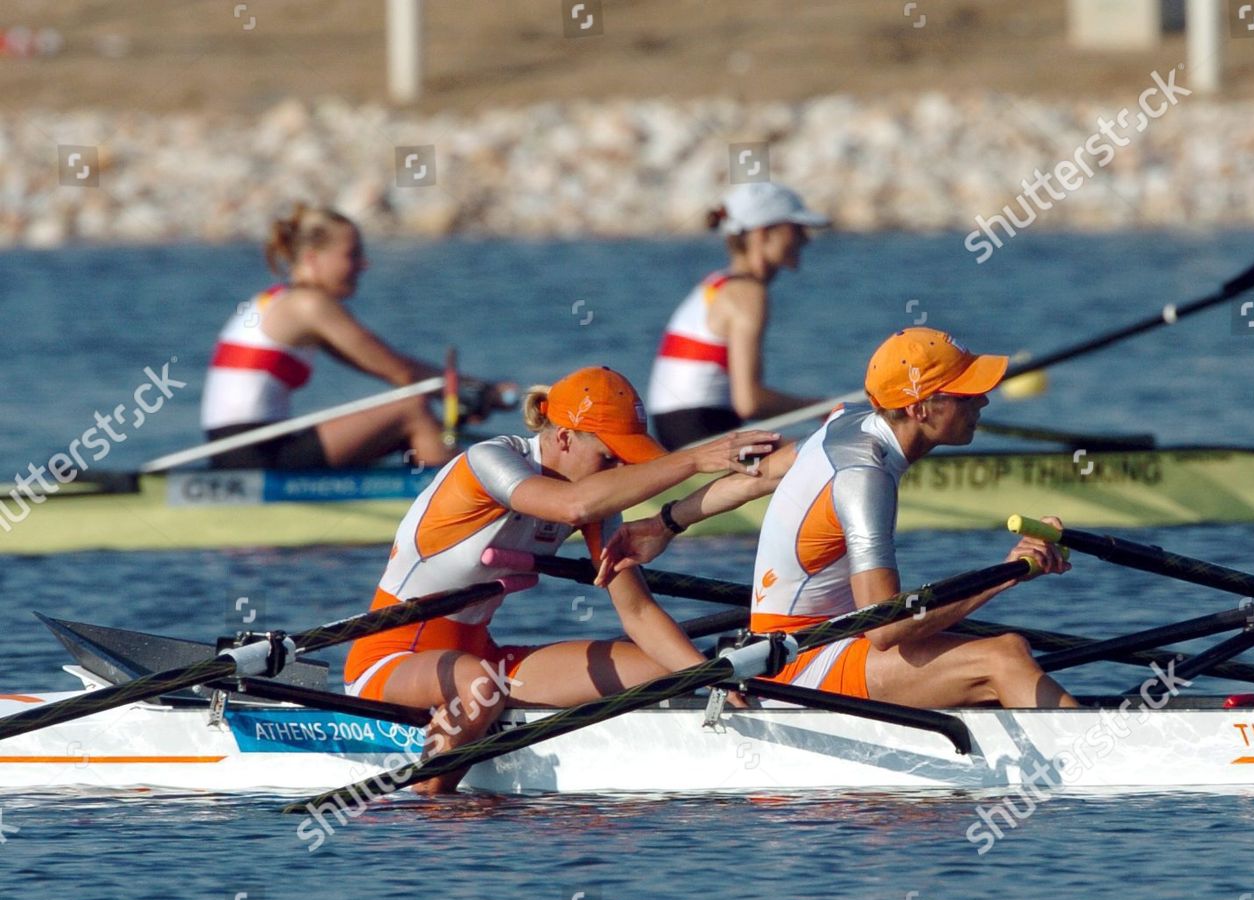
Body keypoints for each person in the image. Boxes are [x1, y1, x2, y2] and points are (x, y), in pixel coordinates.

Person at [342, 366, 778, 794]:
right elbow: (572, 507)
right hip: (391, 657)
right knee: (479, 685)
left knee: (667, 672)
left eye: (624, 459)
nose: (617, 469)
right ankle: (431, 807)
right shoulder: (488, 461)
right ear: (564, 437)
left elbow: (639, 612)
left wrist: (710, 678)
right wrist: (695, 459)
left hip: (482, 659)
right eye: (608, 456)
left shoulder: (597, 500)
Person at [600, 327, 1078, 710]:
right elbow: (886, 629)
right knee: (1003, 654)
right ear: (919, 407)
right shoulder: (864, 475)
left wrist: (664, 524)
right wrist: (1010, 574)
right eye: (965, 394)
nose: (983, 402)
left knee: (980, 649)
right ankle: (1086, 765)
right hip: (796, 664)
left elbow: (760, 475)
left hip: (819, 637)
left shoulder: (846, 422)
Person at [200, 203, 516, 469]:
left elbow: (388, 370)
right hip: (254, 453)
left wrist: (463, 394)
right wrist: (482, 391)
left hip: (237, 448)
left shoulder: (278, 300)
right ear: (312, 258)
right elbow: (400, 371)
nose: (363, 265)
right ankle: (465, 508)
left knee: (410, 414)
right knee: (412, 409)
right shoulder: (309, 305)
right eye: (352, 255)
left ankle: (425, 491)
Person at [645, 181, 830, 449]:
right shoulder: (747, 293)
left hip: (683, 434)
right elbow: (749, 402)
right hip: (701, 437)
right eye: (797, 229)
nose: (805, 238)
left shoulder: (715, 284)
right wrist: (822, 408)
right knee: (835, 451)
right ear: (763, 234)